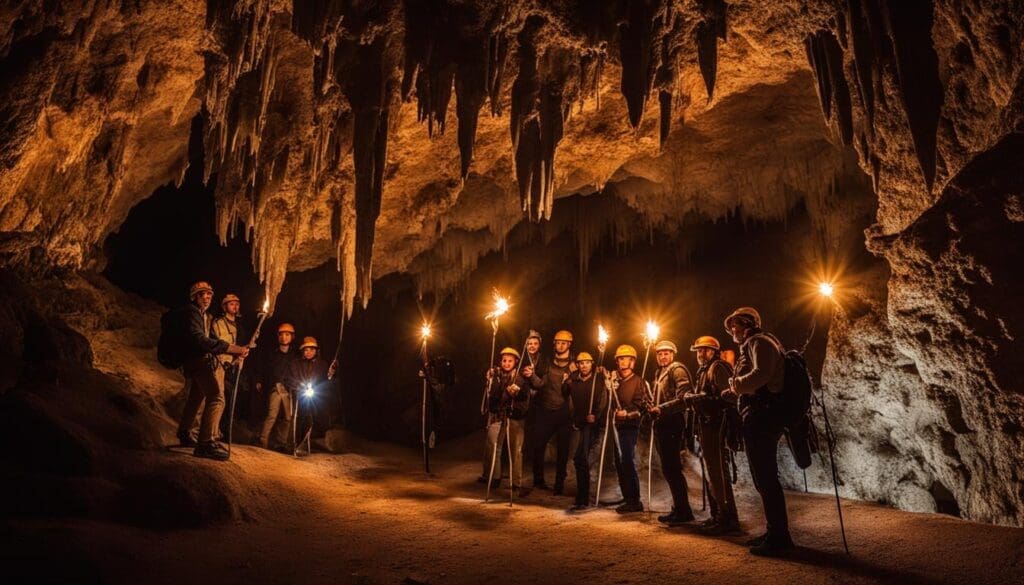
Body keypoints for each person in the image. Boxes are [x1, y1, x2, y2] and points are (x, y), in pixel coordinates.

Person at [720, 307, 792, 555]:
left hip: (764, 417)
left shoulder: (759, 341)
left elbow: (761, 375)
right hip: (759, 416)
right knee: (763, 479)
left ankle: (780, 537)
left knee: (766, 479)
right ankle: (774, 531)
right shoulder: (754, 343)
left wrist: (735, 384)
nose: (732, 330)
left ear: (748, 323)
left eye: (736, 325)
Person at [175, 281, 249, 461]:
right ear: (195, 297)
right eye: (202, 294)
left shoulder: (203, 315)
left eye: (209, 295)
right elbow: (200, 340)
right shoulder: (192, 313)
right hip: (196, 360)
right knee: (216, 396)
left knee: (197, 396)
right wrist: (231, 349)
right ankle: (205, 443)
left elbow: (211, 339)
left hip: (196, 360)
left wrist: (235, 349)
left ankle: (184, 432)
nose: (206, 297)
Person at [686, 335, 740, 534]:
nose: (701, 353)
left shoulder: (718, 368)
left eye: (706, 350)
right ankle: (718, 515)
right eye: (699, 350)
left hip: (717, 426)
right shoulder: (704, 370)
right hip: (707, 426)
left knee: (718, 473)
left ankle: (728, 519)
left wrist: (700, 398)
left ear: (714, 352)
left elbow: (727, 398)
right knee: (712, 473)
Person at [646, 340, 696, 525]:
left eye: (666, 353)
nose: (663, 356)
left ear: (673, 354)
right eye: (659, 353)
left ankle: (684, 511)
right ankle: (679, 508)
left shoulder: (677, 369)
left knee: (673, 468)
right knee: (668, 468)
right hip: (662, 424)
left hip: (673, 423)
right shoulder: (659, 372)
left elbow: (684, 398)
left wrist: (661, 408)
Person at [525, 329, 576, 495]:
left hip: (564, 413)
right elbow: (539, 384)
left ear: (569, 344)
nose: (560, 345)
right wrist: (531, 376)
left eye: (563, 342)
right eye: (557, 342)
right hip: (545, 410)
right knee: (538, 446)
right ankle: (538, 481)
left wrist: (571, 379)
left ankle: (559, 484)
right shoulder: (547, 362)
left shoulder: (575, 364)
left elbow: (579, 387)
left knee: (563, 450)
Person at [481, 347, 531, 494]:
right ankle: (494, 477)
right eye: (504, 360)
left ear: (516, 361)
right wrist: (504, 392)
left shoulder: (520, 378)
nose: (507, 363)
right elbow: (493, 399)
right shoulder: (495, 376)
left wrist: (517, 393)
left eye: (510, 361)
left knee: (515, 449)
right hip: (498, 415)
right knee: (493, 446)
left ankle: (516, 482)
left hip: (515, 417)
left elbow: (524, 399)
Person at [609, 344, 649, 513]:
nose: (624, 361)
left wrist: (627, 413)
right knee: (618, 462)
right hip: (615, 426)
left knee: (627, 460)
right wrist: (609, 386)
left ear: (633, 362)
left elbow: (640, 406)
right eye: (621, 358)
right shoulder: (613, 381)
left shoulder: (638, 381)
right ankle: (627, 497)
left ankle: (634, 500)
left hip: (629, 427)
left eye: (628, 359)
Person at [565, 351, 607, 511]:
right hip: (579, 423)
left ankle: (583, 497)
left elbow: (603, 399)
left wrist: (595, 415)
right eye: (581, 363)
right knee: (578, 459)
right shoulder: (573, 380)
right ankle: (582, 496)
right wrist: (566, 379)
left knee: (581, 458)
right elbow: (565, 394)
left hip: (592, 424)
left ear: (592, 364)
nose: (584, 365)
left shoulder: (598, 379)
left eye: (587, 362)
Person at [286, 336, 330, 454]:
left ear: (316, 350)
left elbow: (326, 380)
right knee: (298, 419)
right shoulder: (296, 364)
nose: (309, 352)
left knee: (312, 420)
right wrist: (299, 386)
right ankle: (294, 445)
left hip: (316, 397)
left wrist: (332, 373)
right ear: (302, 351)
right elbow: (290, 378)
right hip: (299, 396)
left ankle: (307, 445)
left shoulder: (323, 365)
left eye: (311, 349)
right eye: (306, 350)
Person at [258, 323, 297, 451]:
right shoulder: (272, 354)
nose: (284, 337)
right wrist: (260, 381)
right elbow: (264, 369)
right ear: (278, 337)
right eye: (281, 335)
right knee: (272, 415)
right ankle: (262, 441)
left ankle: (282, 443)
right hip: (275, 387)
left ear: (292, 337)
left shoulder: (294, 356)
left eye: (287, 335)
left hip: (288, 389)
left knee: (287, 417)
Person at [212, 293, 247, 437]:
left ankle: (222, 431)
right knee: (218, 399)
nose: (235, 306)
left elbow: (243, 345)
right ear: (225, 306)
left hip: (234, 365)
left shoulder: (240, 326)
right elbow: (219, 343)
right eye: (231, 303)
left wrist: (242, 353)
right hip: (220, 362)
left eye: (237, 303)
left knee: (229, 400)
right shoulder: (218, 322)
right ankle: (212, 432)